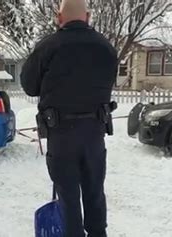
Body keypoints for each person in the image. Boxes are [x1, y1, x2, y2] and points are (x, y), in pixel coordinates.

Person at [20, 0, 118, 236]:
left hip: (62, 134)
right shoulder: (106, 47)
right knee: (95, 189)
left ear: (59, 17)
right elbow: (107, 81)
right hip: (94, 131)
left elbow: (29, 86)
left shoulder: (49, 47)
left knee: (68, 193)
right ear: (88, 17)